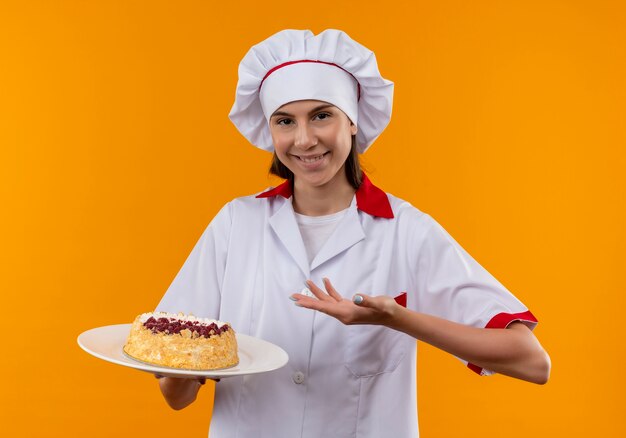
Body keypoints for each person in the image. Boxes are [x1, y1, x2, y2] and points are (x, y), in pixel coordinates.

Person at [154, 29, 550, 438]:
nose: (305, 139)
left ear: (353, 120)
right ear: (270, 131)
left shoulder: (406, 231)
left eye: (322, 115)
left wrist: (398, 319)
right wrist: (201, 360)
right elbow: (176, 396)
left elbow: (531, 362)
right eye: (285, 121)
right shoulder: (236, 224)